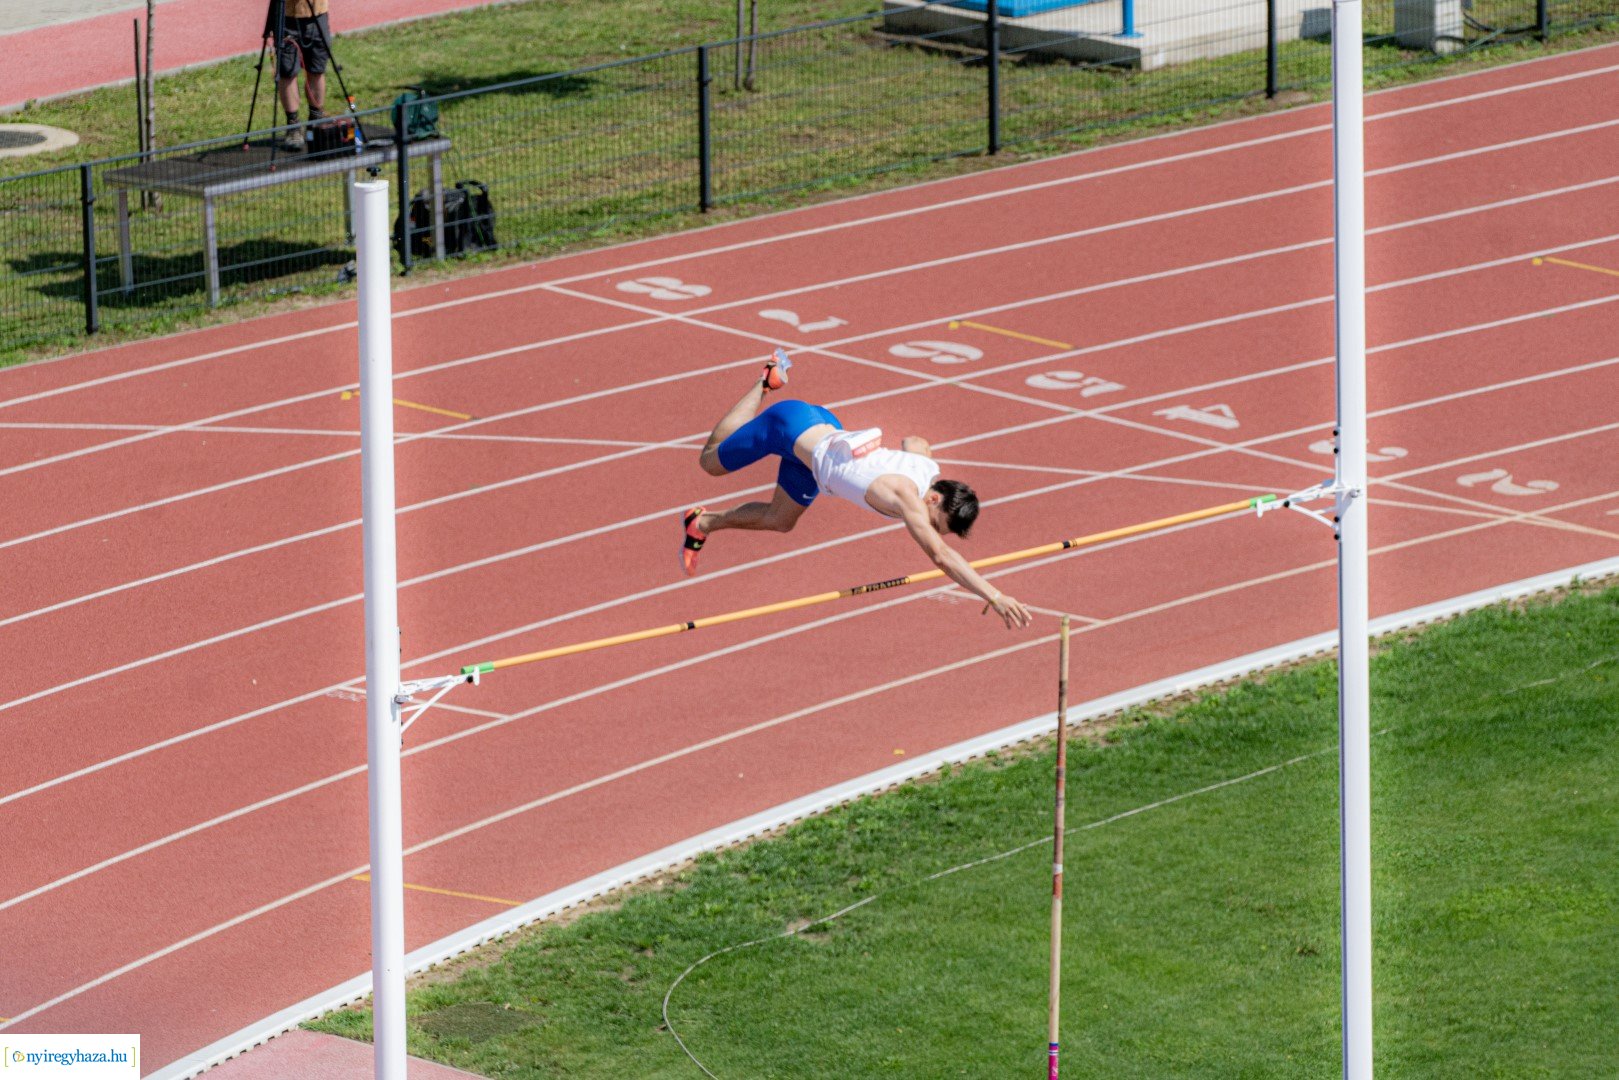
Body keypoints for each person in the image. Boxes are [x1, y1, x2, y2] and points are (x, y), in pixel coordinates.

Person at [682, 350, 1033, 630]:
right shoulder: (906, 495)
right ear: (934, 498)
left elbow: (916, 441)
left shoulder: (928, 469)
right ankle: (765, 383)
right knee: (710, 462)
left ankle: (702, 523)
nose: (929, 528)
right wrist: (994, 595)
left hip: (819, 450)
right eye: (935, 522)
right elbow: (941, 556)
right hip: (790, 426)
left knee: (780, 519)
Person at [268, 0, 332, 151]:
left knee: (317, 70)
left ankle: (316, 120)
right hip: (287, 15)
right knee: (287, 72)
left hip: (317, 13)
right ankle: (293, 125)